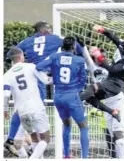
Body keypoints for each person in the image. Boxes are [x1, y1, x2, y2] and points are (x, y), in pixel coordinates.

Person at [4, 21, 84, 154]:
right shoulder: (54, 39)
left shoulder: (26, 41)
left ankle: (15, 140)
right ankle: (17, 140)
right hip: (37, 74)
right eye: (49, 29)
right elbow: (73, 44)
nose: (51, 31)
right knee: (36, 108)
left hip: (24, 74)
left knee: (23, 107)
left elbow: (11, 53)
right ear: (42, 30)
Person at [79, 24, 124, 158]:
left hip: (116, 89)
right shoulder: (121, 44)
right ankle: (109, 111)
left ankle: (76, 99)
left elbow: (112, 70)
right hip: (106, 101)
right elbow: (112, 36)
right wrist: (101, 30)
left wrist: (100, 57)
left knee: (118, 139)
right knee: (111, 140)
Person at [36, 36, 89, 158]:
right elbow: (83, 80)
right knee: (84, 126)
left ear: (62, 46)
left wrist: (48, 79)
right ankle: (85, 158)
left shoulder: (55, 57)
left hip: (58, 97)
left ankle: (66, 155)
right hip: (71, 96)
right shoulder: (79, 60)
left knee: (66, 124)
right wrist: (76, 90)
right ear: (74, 46)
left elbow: (38, 67)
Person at [3, 47, 52, 159]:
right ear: (21, 56)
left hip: (21, 112)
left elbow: (6, 94)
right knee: (46, 138)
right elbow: (46, 81)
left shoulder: (6, 75)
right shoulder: (31, 67)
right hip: (36, 108)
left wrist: (5, 109)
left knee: (34, 138)